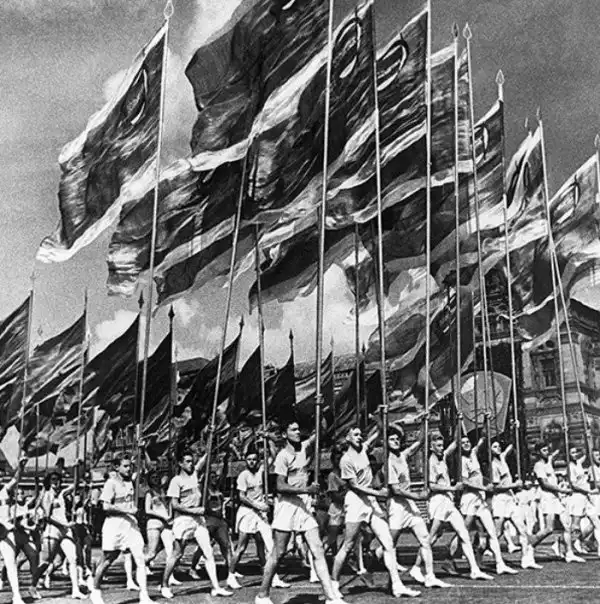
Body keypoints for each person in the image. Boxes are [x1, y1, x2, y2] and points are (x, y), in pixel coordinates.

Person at [255, 419, 346, 604]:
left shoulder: (304, 447)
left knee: (318, 549)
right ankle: (262, 595)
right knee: (279, 553)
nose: (298, 432)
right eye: (293, 429)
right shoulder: (282, 457)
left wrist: (321, 413)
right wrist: (306, 489)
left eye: (299, 429)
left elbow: (319, 433)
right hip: (286, 505)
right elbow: (280, 486)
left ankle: (331, 597)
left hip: (303, 505)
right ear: (285, 434)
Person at [331, 424, 420, 599]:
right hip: (356, 501)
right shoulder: (346, 460)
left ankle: (397, 586)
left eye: (360, 434)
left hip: (370, 501)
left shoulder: (364, 449)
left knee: (388, 542)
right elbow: (355, 486)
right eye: (355, 434)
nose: (359, 437)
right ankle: (333, 585)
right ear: (348, 438)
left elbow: (379, 430)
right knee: (348, 545)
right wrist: (378, 493)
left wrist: (386, 422)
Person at [385, 419, 451, 589]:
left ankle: (430, 576)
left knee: (425, 539)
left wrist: (424, 422)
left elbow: (420, 442)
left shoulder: (403, 455)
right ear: (386, 442)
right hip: (397, 506)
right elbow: (396, 490)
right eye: (392, 439)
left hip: (409, 505)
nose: (396, 441)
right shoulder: (388, 462)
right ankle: (383, 572)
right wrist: (418, 496)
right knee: (389, 544)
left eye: (397, 439)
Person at [417, 432, 491, 580]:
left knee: (463, 533)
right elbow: (432, 485)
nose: (441, 448)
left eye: (442, 445)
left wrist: (460, 422)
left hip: (448, 502)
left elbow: (455, 443)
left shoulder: (443, 457)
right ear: (431, 447)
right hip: (438, 501)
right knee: (432, 537)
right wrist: (452, 488)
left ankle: (474, 569)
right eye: (438, 446)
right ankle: (416, 566)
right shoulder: (430, 462)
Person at [160, 449, 231, 599]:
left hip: (198, 521)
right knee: (177, 554)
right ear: (180, 463)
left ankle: (216, 587)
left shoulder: (195, 476)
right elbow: (175, 505)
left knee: (209, 553)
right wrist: (194, 510)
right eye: (187, 461)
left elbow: (202, 462)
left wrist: (209, 449)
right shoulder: (176, 481)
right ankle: (164, 585)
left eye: (192, 461)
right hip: (183, 520)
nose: (191, 464)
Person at [88, 456, 153, 604]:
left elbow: (146, 470)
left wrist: (143, 452)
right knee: (108, 560)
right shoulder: (111, 483)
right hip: (114, 525)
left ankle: (144, 596)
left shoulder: (131, 481)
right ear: (117, 467)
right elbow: (106, 506)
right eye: (125, 466)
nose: (129, 469)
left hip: (130, 525)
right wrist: (127, 510)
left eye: (130, 466)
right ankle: (95, 590)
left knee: (140, 559)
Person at [453, 434, 517, 576]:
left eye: (467, 441)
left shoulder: (473, 454)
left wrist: (485, 430)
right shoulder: (462, 461)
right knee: (463, 532)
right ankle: (450, 557)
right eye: (463, 443)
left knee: (492, 532)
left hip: (480, 499)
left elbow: (481, 441)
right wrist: (484, 488)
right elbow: (465, 482)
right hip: (469, 498)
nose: (466, 444)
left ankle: (500, 563)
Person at [229, 447, 289, 589]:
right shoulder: (243, 475)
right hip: (247, 513)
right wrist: (257, 505)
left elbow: (274, 456)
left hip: (260, 515)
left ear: (258, 460)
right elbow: (241, 497)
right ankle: (230, 576)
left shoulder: (262, 471)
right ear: (245, 461)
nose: (252, 462)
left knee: (269, 546)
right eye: (249, 459)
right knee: (241, 547)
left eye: (254, 459)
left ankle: (273, 577)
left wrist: (269, 441)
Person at [30, 471, 85, 599]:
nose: (56, 482)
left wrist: (78, 467)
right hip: (52, 530)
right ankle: (33, 585)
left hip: (65, 530)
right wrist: (65, 525)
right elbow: (47, 517)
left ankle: (75, 590)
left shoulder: (61, 493)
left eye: (58, 479)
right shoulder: (46, 495)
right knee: (45, 562)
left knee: (73, 558)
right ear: (49, 482)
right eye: (53, 479)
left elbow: (75, 484)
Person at [490, 439, 541, 569]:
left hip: (510, 499)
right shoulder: (493, 466)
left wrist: (515, 431)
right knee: (497, 533)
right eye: (494, 447)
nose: (498, 448)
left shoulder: (502, 458)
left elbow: (510, 446)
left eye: (499, 446)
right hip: (500, 500)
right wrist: (514, 485)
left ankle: (526, 559)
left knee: (522, 529)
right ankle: (484, 555)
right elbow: (496, 487)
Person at [530, 442, 583, 563]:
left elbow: (556, 452)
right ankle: (528, 546)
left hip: (555, 498)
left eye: (547, 450)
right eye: (544, 450)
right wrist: (561, 490)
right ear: (538, 452)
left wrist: (563, 439)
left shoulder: (548, 462)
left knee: (566, 526)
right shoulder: (538, 466)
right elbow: (544, 484)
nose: (547, 452)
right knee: (549, 529)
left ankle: (569, 553)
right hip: (547, 498)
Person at [0, 457, 28, 604]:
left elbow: (16, 479)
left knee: (11, 564)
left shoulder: (5, 490)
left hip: (6, 532)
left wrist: (21, 467)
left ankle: (17, 596)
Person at [144, 472, 178, 584]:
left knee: (170, 551)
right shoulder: (149, 493)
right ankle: (141, 563)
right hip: (154, 523)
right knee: (152, 553)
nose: (155, 479)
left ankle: (170, 577)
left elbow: (170, 505)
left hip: (166, 524)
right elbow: (148, 510)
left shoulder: (164, 491)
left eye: (157, 477)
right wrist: (163, 516)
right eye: (153, 477)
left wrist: (170, 517)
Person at [567, 447, 600, 556]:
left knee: (596, 522)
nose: (575, 454)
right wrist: (588, 491)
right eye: (572, 452)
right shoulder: (571, 467)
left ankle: (597, 548)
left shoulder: (578, 463)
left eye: (576, 452)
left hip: (586, 497)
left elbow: (586, 453)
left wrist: (587, 441)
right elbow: (574, 485)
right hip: (577, 497)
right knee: (575, 526)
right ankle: (563, 542)